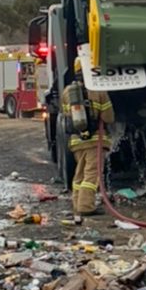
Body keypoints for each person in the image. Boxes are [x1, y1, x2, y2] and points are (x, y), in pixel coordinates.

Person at [63, 57, 114, 215]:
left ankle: (77, 204)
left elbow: (66, 115)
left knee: (80, 174)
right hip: (95, 141)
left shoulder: (67, 92)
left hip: (77, 141)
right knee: (92, 174)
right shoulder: (98, 90)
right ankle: (86, 207)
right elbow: (108, 117)